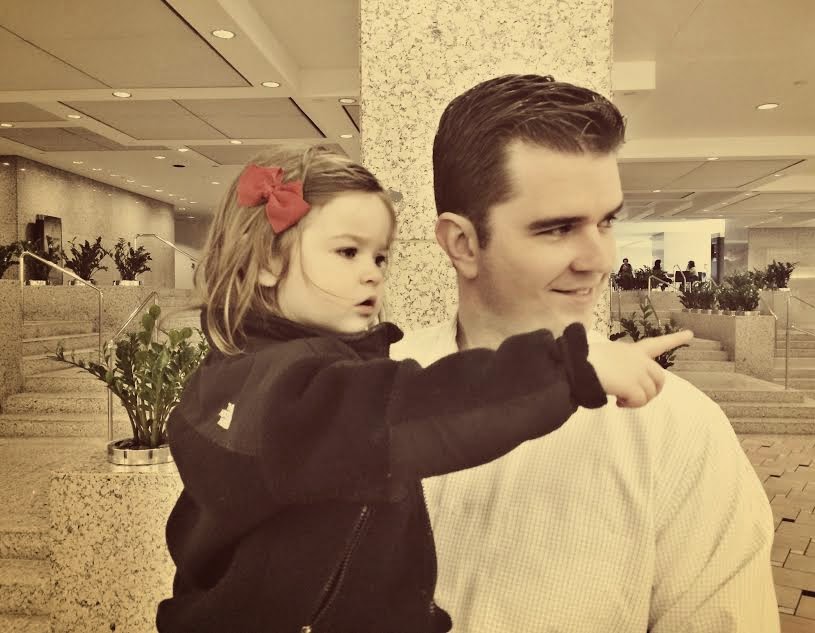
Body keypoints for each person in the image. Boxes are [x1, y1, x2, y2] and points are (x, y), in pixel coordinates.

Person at [155, 146, 692, 633]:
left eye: (380, 257)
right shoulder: (284, 390)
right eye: (348, 252)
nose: (372, 274)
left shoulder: (265, 373)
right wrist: (568, 368)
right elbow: (419, 412)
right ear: (268, 263)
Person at [391, 75, 779, 632]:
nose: (599, 260)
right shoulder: (366, 388)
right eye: (557, 228)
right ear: (462, 243)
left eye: (606, 222)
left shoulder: (678, 428)